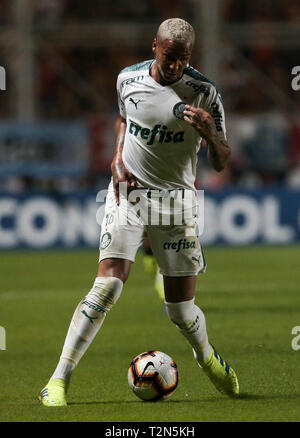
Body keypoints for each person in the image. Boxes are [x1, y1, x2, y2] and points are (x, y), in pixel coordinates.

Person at [39, 18, 239, 406]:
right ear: (154, 47)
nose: (175, 66)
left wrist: (210, 134)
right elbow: (124, 120)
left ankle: (207, 357)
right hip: (127, 194)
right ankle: (58, 380)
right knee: (108, 285)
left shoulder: (204, 93)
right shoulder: (127, 79)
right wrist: (116, 161)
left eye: (182, 60)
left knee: (180, 311)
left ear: (190, 57)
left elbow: (221, 161)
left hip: (176, 203)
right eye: (169, 57)